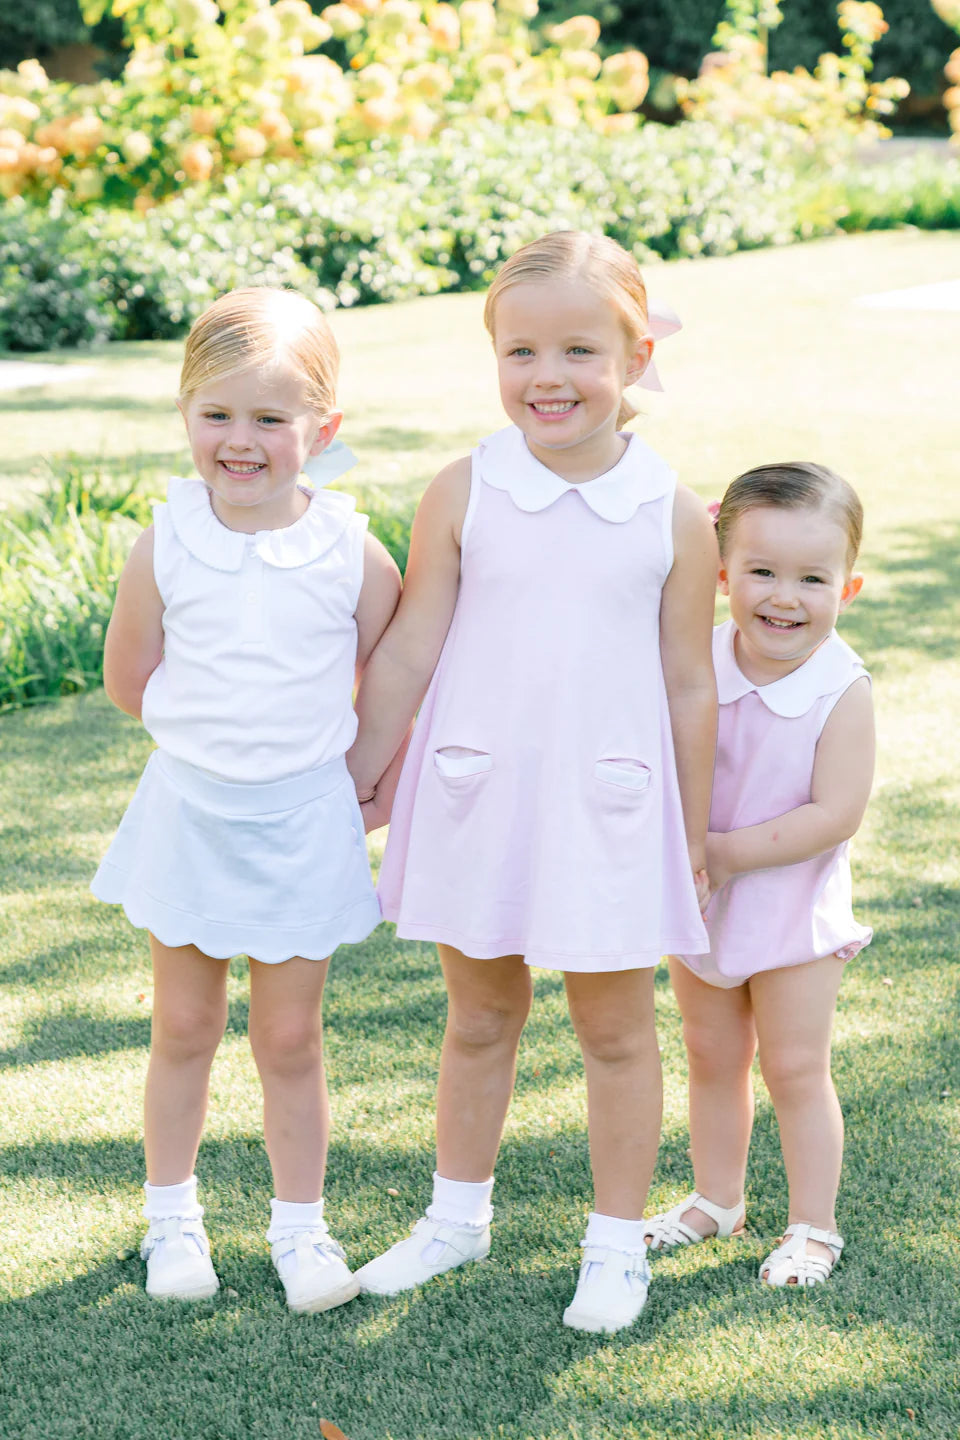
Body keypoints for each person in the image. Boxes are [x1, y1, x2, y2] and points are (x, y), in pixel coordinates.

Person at [346, 231, 718, 1334]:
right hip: (479, 793)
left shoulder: (672, 512)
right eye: (520, 352)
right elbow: (410, 647)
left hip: (610, 805)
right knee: (479, 1016)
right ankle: (455, 1218)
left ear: (636, 354)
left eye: (578, 350)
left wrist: (688, 830)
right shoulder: (464, 486)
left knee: (614, 1029)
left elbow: (691, 684)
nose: (546, 378)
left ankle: (616, 1247)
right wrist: (363, 769)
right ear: (494, 358)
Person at [91, 286, 401, 1312]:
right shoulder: (167, 541)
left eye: (271, 418)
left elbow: (387, 685)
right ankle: (170, 1219)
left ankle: (300, 1229)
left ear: (324, 428)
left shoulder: (354, 554)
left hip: (302, 823)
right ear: (185, 416)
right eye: (217, 413)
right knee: (183, 1026)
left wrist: (347, 780)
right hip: (190, 814)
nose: (241, 439)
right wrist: (211, 751)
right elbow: (130, 679)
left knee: (290, 1038)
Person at [643, 462, 874, 1288]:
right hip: (701, 903)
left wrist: (724, 852)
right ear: (722, 574)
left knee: (795, 1067)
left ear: (847, 585)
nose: (785, 597)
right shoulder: (696, 663)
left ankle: (814, 1227)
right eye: (762, 572)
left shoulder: (839, 689)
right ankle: (717, 1199)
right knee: (710, 1055)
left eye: (812, 579)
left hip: (790, 912)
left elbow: (834, 814)